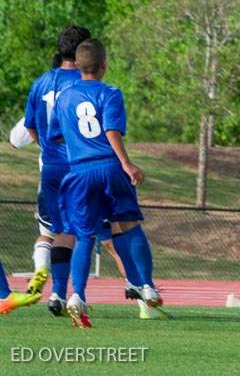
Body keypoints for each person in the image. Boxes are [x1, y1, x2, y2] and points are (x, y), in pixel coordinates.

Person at [51, 39, 161, 329]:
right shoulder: (111, 92)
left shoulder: (64, 96)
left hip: (80, 172)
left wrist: (79, 142)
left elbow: (56, 135)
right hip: (110, 167)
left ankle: (77, 296)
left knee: (84, 236)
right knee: (129, 225)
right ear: (104, 66)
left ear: (78, 67)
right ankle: (147, 287)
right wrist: (126, 163)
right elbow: (112, 129)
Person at [21, 25, 89, 312]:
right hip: (79, 168)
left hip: (49, 169)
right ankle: (68, 293)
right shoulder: (85, 83)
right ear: (84, 50)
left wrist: (48, 150)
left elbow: (30, 127)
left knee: (54, 230)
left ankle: (53, 289)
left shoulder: (41, 82)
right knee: (80, 233)